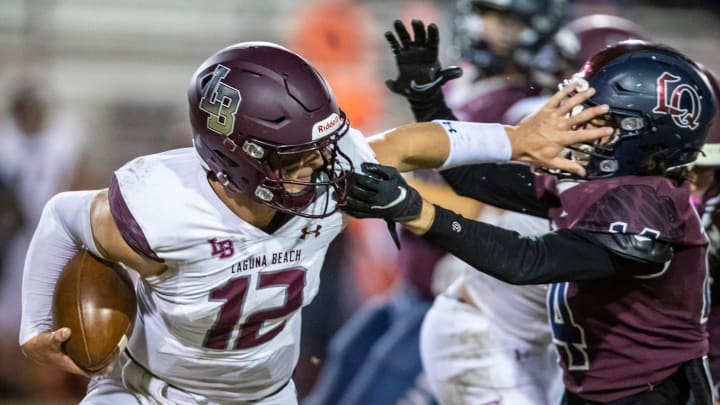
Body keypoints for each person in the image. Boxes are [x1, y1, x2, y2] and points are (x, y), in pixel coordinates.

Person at [18, 41, 610, 404]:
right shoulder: (161, 207)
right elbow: (60, 214)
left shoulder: (330, 164)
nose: (321, 163)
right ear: (235, 156)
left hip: (267, 396)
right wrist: (37, 324)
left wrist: (517, 140)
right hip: (150, 393)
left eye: (320, 147)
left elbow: (411, 144)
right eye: (294, 155)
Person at [342, 40, 718, 404]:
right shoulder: (601, 184)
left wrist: (417, 210)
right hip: (594, 390)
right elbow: (472, 176)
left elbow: (528, 261)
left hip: (655, 394)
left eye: (597, 116)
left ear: (644, 134)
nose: (573, 123)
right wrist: (428, 101)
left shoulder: (649, 209)